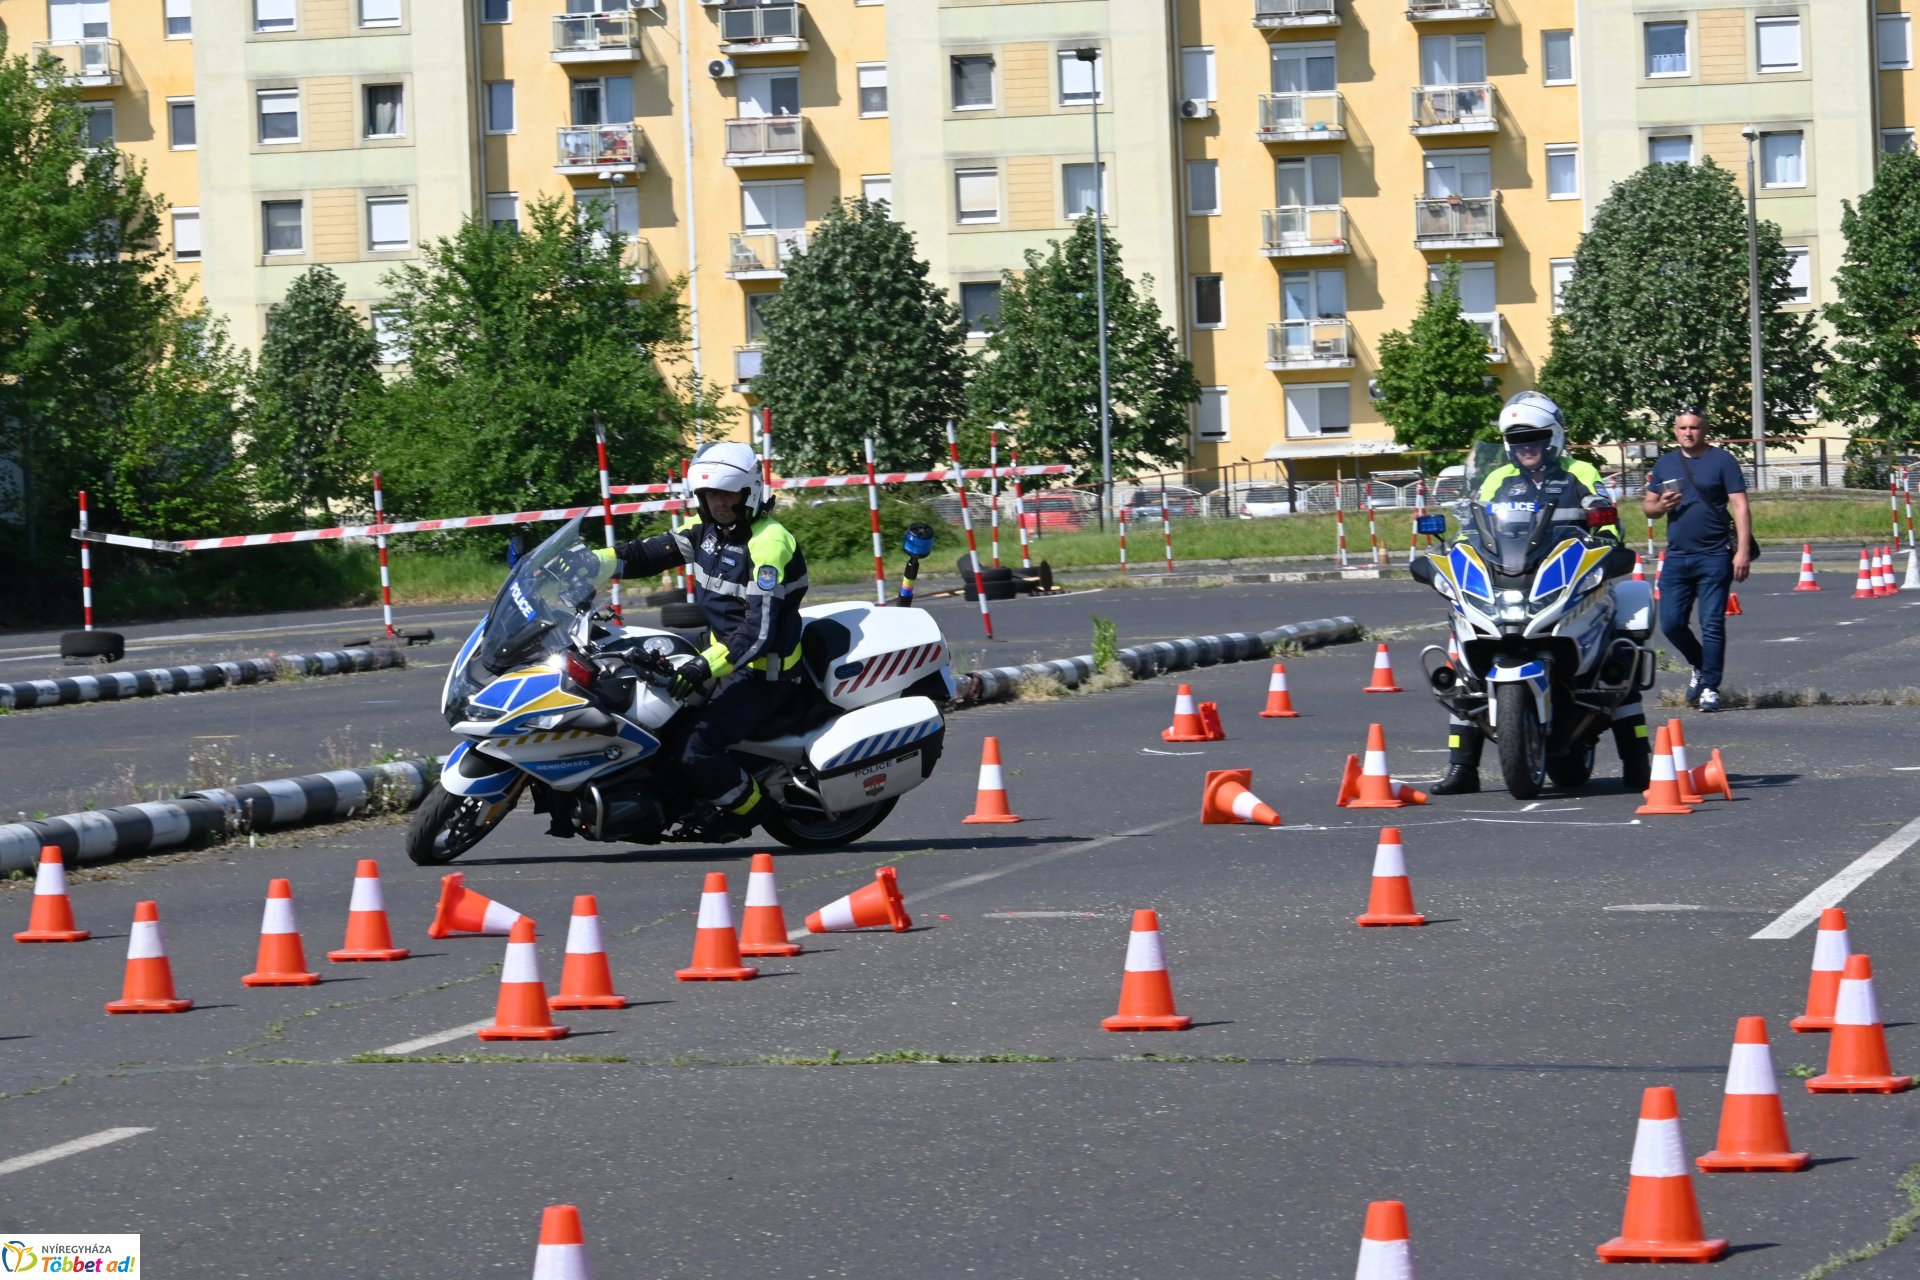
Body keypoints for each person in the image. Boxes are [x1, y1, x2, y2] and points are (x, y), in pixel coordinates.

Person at [1432, 391, 1651, 794]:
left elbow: (1606, 521)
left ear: (1553, 437)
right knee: (1463, 660)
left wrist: (1605, 540)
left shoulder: (1578, 472)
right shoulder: (1497, 480)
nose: (1526, 447)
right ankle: (1462, 768)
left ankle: (1637, 762)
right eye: (1517, 441)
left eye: (1534, 438)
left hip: (1568, 579)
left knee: (1618, 652)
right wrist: (1450, 555)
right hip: (1512, 581)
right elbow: (1471, 530)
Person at [596, 440, 809, 839]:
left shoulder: (769, 543)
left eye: (728, 492)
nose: (719, 502)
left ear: (750, 493)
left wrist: (702, 666)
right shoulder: (704, 533)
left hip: (762, 672)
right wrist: (580, 563)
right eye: (710, 494)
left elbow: (758, 631)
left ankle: (752, 809)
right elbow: (642, 554)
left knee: (694, 750)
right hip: (718, 651)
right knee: (633, 667)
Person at [1642, 407, 1751, 714]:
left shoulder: (1722, 461)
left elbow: (1740, 506)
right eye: (1682, 428)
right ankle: (1700, 665)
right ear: (1675, 431)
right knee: (1672, 623)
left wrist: (1742, 551)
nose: (1688, 432)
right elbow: (1648, 507)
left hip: (1715, 555)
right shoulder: (1666, 463)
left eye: (1694, 427)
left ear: (1705, 430)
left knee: (1712, 622)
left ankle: (1711, 689)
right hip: (1677, 556)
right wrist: (1660, 505)